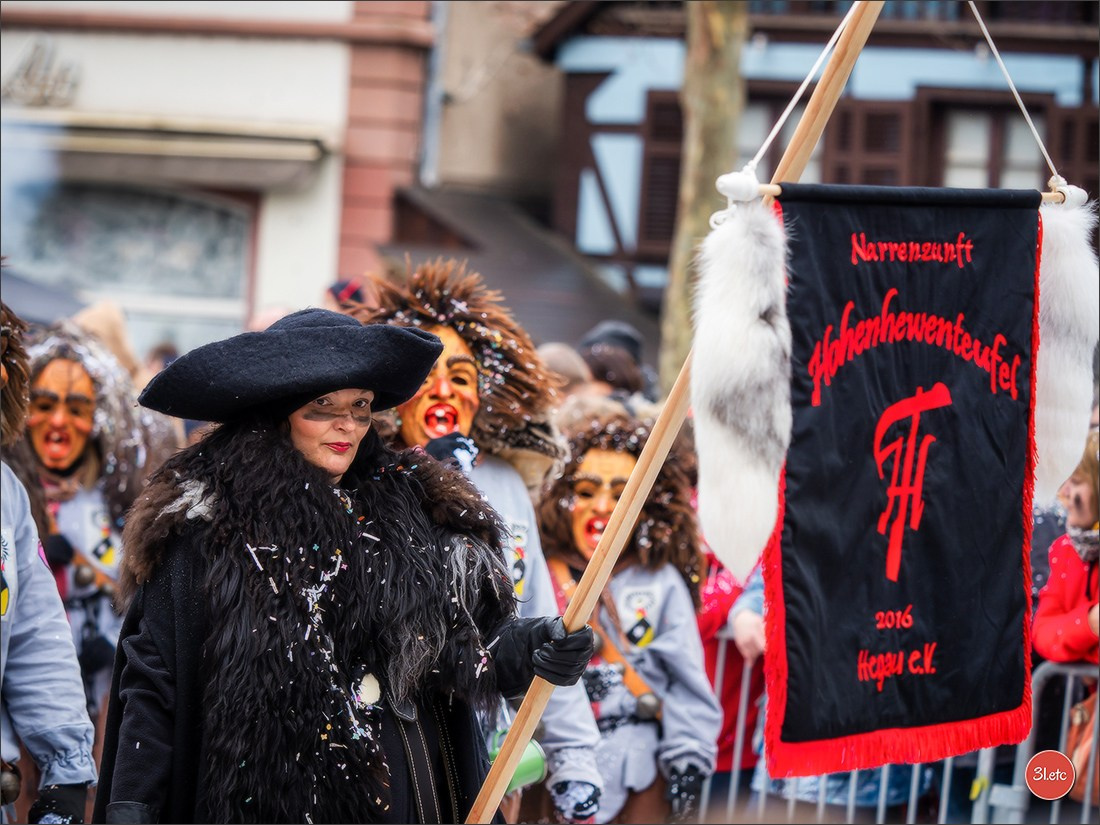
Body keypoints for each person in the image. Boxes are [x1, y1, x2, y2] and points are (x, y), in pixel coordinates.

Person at [92, 308, 594, 824]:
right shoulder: (207, 530)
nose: (347, 425)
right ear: (275, 413)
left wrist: (538, 645)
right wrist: (134, 805)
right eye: (323, 406)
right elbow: (155, 684)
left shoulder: (409, 516)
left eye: (360, 407)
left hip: (400, 799)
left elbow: (460, 655)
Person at [354, 260, 604, 824]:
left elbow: (543, 621)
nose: (444, 390)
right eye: (426, 377)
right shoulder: (362, 482)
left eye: (461, 377)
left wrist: (574, 757)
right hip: (397, 749)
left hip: (492, 756)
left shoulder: (505, 484)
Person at [536, 396, 721, 824]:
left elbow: (686, 680)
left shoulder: (660, 582)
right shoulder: (539, 574)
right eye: (586, 491)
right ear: (562, 497)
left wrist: (688, 760)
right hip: (553, 774)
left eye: (621, 495)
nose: (603, 507)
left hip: (637, 771)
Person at [13, 323, 177, 732]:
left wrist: (111, 639)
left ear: (98, 418)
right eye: (45, 404)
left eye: (77, 408)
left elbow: (130, 584)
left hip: (99, 687)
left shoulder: (107, 502)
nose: (59, 422)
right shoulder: (9, 497)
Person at [1, 300, 97, 825]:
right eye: (47, 403)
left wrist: (66, 773)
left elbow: (34, 631)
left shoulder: (5, 493)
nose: (59, 422)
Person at [1033, 427, 1099, 665]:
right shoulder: (1065, 550)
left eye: (1077, 483)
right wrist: (1091, 622)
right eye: (1065, 481)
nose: (1064, 493)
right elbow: (1042, 633)